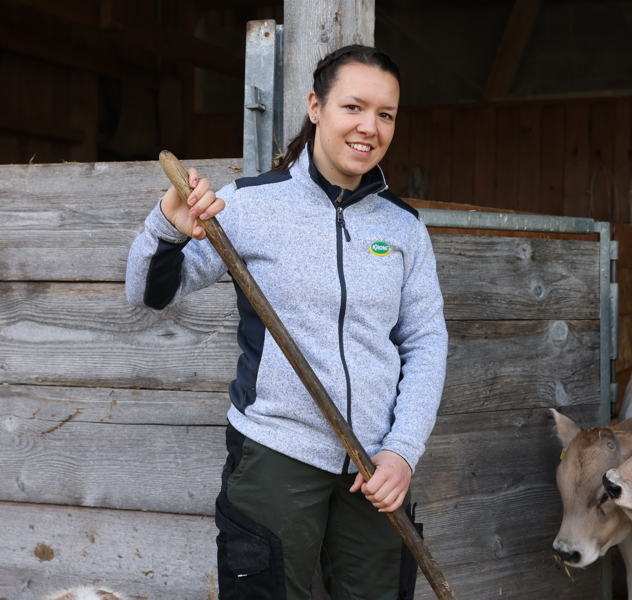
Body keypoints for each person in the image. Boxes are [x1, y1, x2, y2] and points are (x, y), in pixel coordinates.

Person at [125, 44, 448, 600]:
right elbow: (148, 293)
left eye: (386, 114)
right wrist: (168, 227)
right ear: (316, 106)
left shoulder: (403, 229)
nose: (369, 127)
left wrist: (402, 450)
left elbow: (425, 341)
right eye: (354, 107)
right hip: (277, 451)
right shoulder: (250, 205)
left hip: (374, 466)